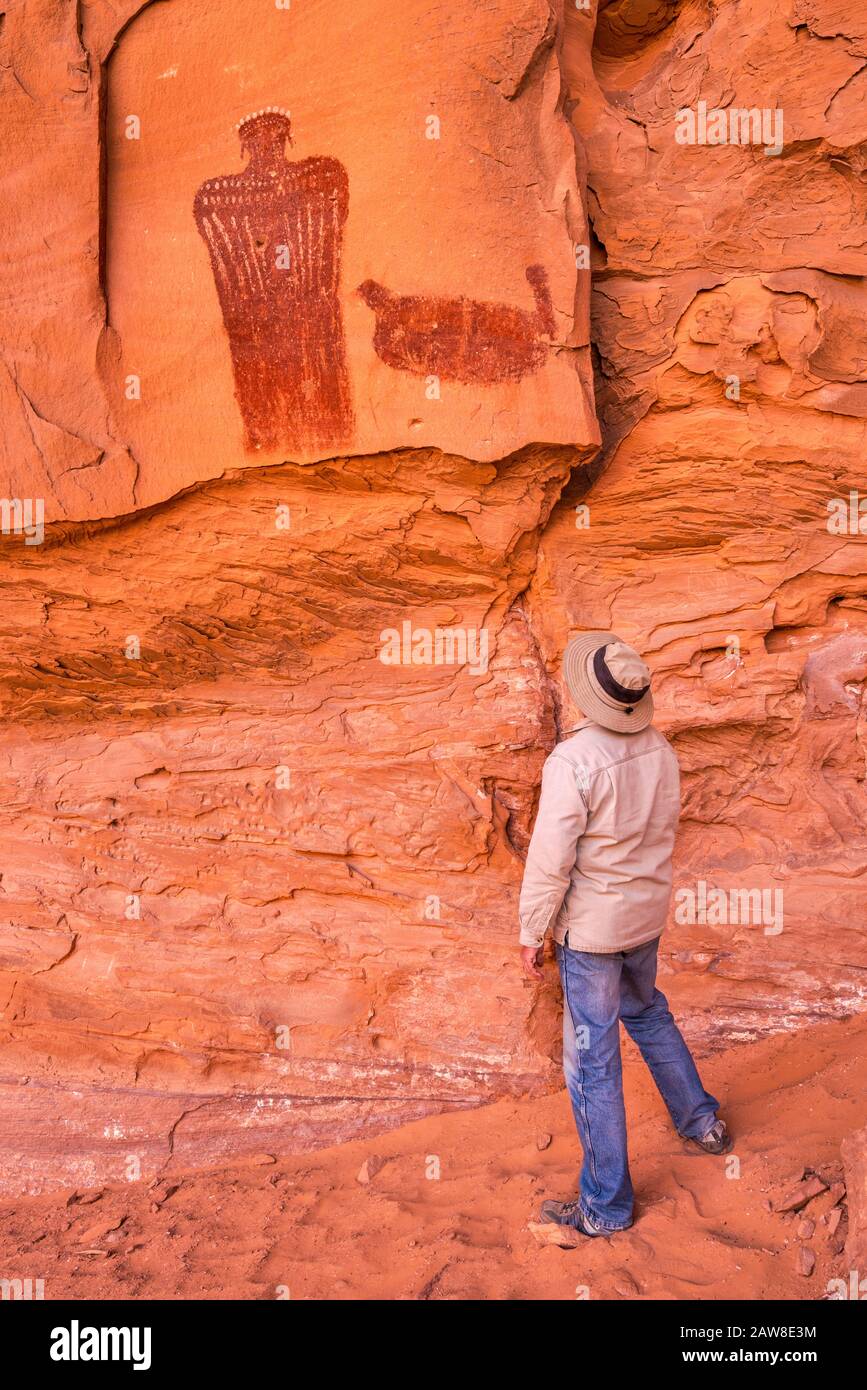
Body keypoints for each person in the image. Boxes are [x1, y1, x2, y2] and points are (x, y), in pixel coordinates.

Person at [518, 630, 731, 1238]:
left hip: (592, 932)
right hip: (644, 918)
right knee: (648, 1011)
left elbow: (551, 858)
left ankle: (605, 1207)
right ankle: (701, 1123)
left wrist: (533, 930)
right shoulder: (660, 749)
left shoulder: (574, 761)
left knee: (594, 1061)